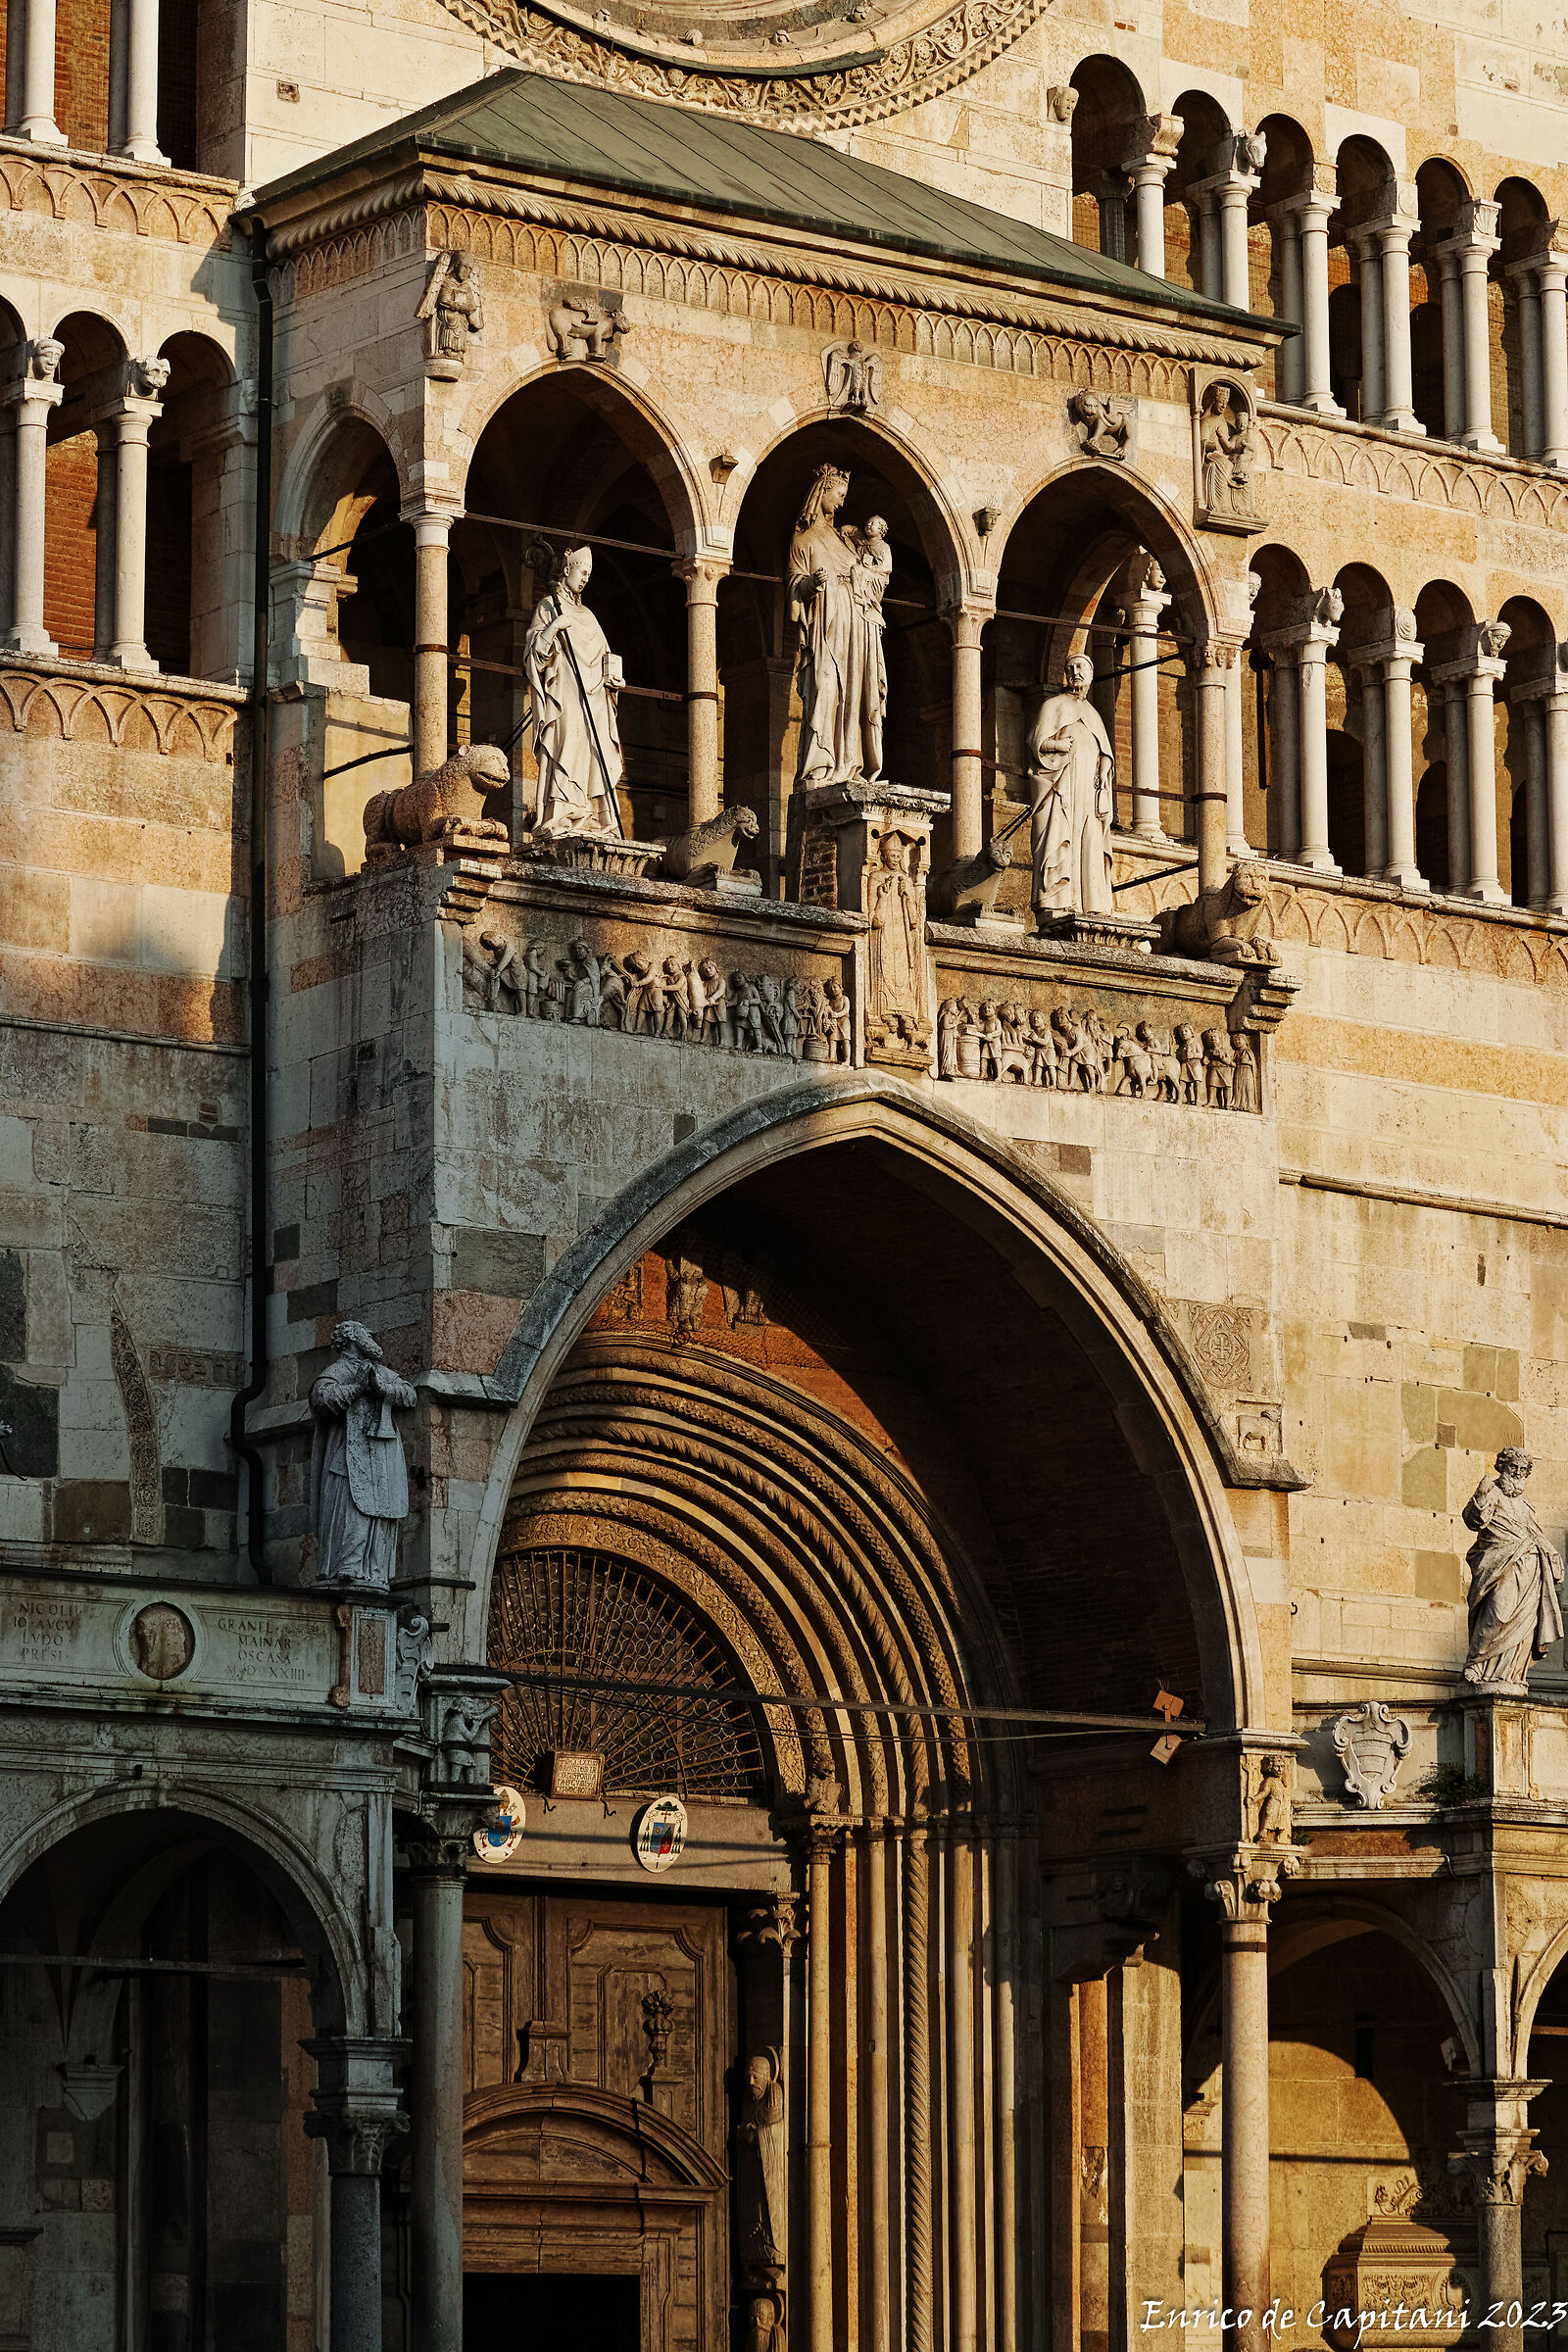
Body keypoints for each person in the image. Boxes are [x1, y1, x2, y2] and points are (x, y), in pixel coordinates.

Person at [789, 466, 889, 787]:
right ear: (823, 491)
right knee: (825, 688)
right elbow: (794, 583)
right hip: (827, 625)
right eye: (839, 494)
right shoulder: (803, 539)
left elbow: (872, 574)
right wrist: (811, 585)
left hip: (858, 625)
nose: (842, 503)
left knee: (857, 693)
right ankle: (819, 767)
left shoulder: (847, 539)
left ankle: (851, 763)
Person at [523, 545, 624, 836]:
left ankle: (598, 816)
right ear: (567, 569)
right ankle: (562, 811)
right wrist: (554, 626)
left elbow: (606, 657)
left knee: (597, 749)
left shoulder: (589, 616)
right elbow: (534, 657)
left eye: (589, 575)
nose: (585, 579)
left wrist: (613, 680)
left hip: (594, 697)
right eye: (582, 572)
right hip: (565, 692)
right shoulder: (547, 606)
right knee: (566, 744)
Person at [308, 1321, 417, 1589]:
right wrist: (357, 1387)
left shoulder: (382, 1373)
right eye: (367, 1334)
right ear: (353, 1338)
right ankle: (348, 1566)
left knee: (379, 1514)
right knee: (351, 1512)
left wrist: (381, 1389)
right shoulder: (337, 1371)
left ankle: (375, 1569)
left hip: (381, 1459)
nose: (372, 1336)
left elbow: (409, 1395)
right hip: (348, 1456)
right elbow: (322, 1400)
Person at [1462, 1448, 1565, 1688]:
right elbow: (1473, 1520)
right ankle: (1476, 1663)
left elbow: (1535, 1533)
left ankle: (1512, 1674)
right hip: (1499, 1567)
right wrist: (1480, 1496)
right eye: (1513, 1468)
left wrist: (1551, 1553)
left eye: (1522, 1470)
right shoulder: (1493, 1493)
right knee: (1497, 1613)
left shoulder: (1525, 1505)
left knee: (1525, 1626)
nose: (1517, 1473)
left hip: (1529, 1570)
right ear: (1502, 1467)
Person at [1026, 656, 1116, 915]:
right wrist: (1056, 745)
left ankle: (1091, 903)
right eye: (1071, 669)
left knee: (1090, 840)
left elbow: (1105, 757)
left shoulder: (1093, 715)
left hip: (1088, 792)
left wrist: (1102, 790)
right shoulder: (1053, 705)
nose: (1076, 673)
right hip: (1060, 790)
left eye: (1081, 668)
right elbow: (1036, 742)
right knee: (1059, 836)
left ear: (1090, 673)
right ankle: (1059, 900)